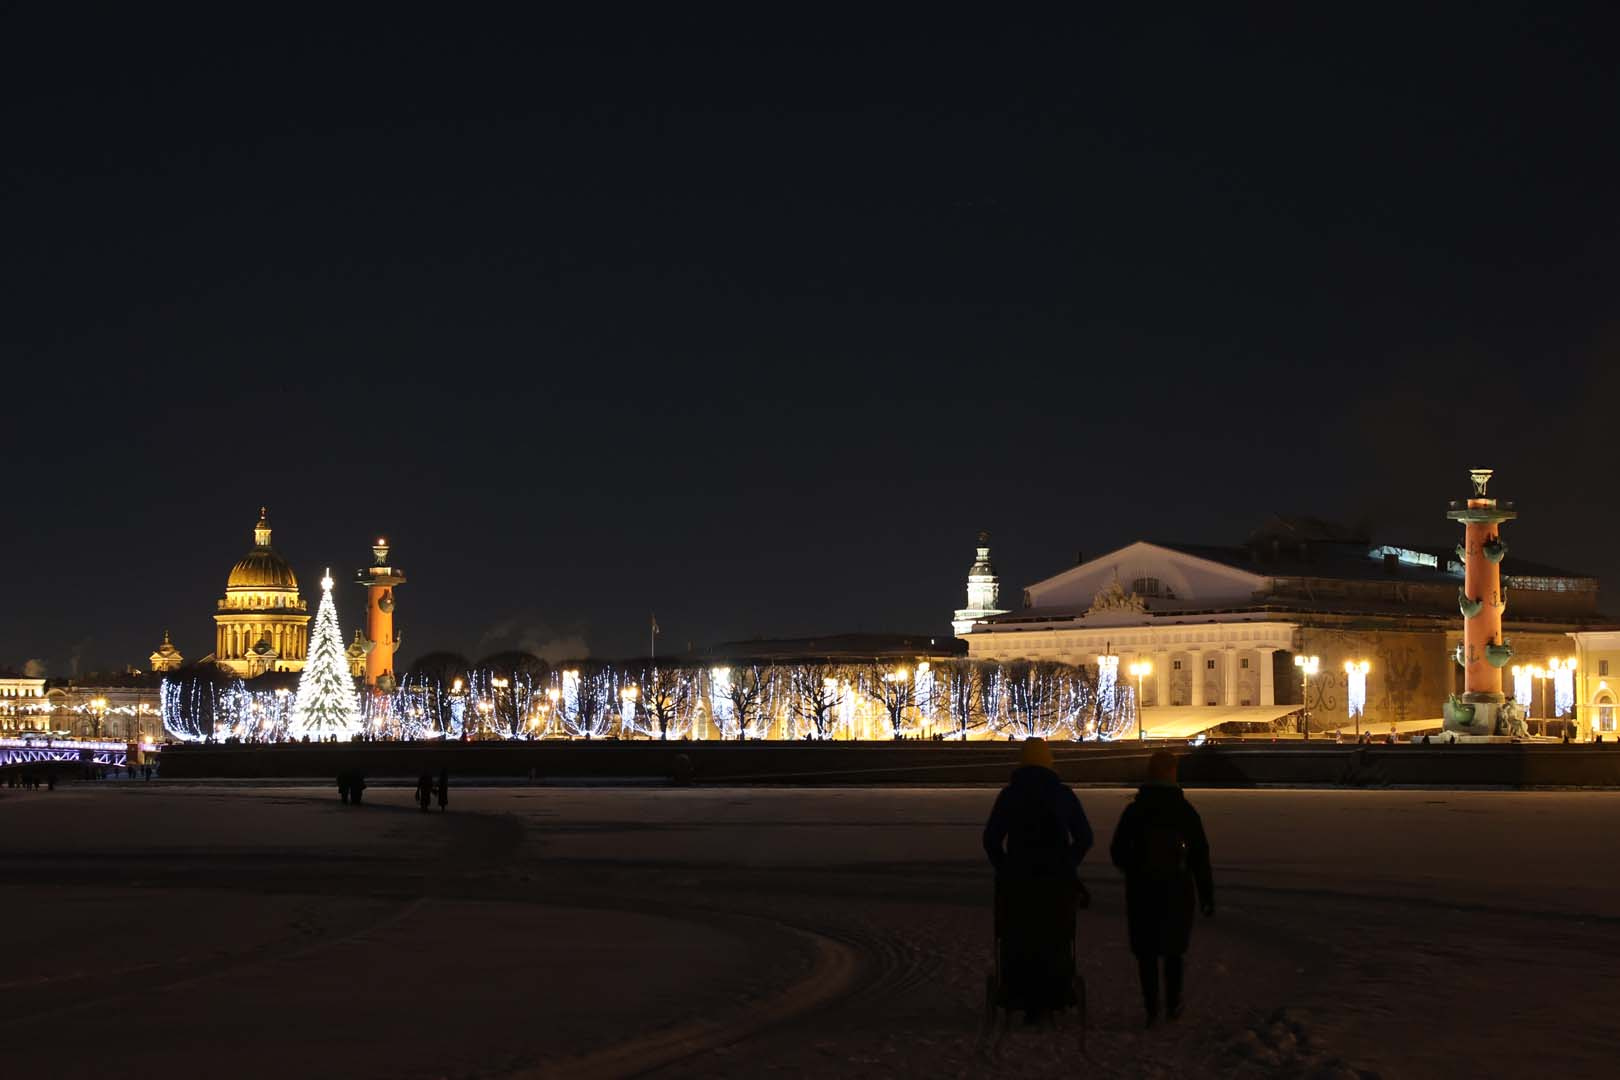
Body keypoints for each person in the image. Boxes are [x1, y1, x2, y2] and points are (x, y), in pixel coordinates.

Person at [982, 737, 1093, 1021]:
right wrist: (1067, 863)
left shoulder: (1010, 795)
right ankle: (1054, 992)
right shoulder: (1063, 794)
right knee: (1055, 935)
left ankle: (1019, 992)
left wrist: (1005, 867)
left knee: (1018, 935)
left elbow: (992, 839)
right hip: (1056, 880)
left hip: (1018, 879)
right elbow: (1085, 837)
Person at [1111, 750, 1214, 1027]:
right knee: (1173, 950)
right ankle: (1172, 1004)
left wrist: (1135, 870)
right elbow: (1200, 856)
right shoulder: (1185, 811)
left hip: (1142, 889)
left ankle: (1151, 1007)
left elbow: (1117, 850)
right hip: (1177, 889)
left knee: (1146, 952)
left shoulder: (1135, 811)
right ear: (1173, 774)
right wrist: (1206, 895)